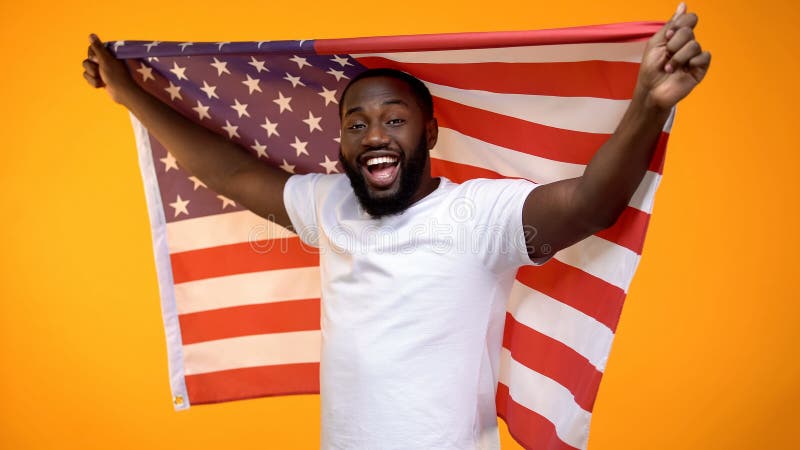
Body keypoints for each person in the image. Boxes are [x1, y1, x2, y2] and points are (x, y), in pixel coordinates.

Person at [82, 4, 710, 449]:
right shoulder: (331, 206)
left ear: (429, 133)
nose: (374, 135)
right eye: (356, 123)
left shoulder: (478, 214)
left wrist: (647, 105)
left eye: (393, 120)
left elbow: (588, 206)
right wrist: (130, 96)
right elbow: (232, 175)